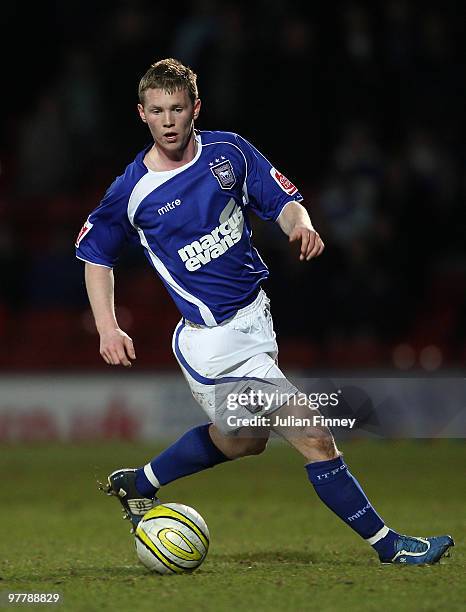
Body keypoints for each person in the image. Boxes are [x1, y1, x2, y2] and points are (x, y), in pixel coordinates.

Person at [75, 58, 453, 565]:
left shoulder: (228, 152)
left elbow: (284, 199)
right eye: (158, 110)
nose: (169, 120)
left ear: (195, 110)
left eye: (178, 109)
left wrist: (302, 224)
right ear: (142, 114)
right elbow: (95, 255)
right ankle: (390, 547)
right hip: (214, 348)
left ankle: (138, 482)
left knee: (243, 443)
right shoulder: (132, 191)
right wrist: (108, 326)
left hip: (257, 323)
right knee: (315, 433)